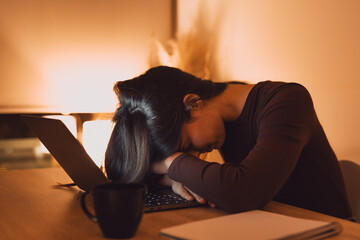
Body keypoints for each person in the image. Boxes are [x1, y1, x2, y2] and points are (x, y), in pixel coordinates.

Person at [104, 66, 352, 219]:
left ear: (195, 104)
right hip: (268, 223)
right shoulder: (224, 116)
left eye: (188, 144)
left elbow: (243, 191)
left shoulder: (288, 102)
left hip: (328, 230)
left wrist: (170, 164)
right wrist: (170, 174)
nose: (194, 156)